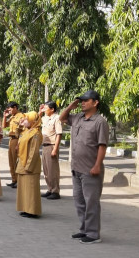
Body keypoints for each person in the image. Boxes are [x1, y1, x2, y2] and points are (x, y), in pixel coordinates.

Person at [59, 90, 109, 244]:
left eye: (86, 100)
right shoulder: (78, 117)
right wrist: (70, 106)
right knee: (79, 201)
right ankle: (84, 229)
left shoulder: (100, 122)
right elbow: (61, 118)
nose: (82, 103)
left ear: (95, 103)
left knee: (91, 202)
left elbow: (102, 146)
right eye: (81, 101)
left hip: (90, 169)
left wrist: (97, 165)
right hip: (76, 168)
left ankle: (93, 234)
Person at [16, 111, 43, 218]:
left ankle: (32, 210)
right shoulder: (27, 131)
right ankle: (25, 208)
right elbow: (17, 135)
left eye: (26, 119)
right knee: (24, 187)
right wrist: (20, 125)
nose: (24, 120)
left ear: (32, 121)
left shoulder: (36, 133)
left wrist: (29, 166)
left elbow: (34, 151)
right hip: (22, 162)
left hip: (30, 164)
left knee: (31, 189)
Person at [40, 101, 63, 199]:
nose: (44, 109)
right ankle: (50, 189)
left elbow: (59, 134)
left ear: (52, 109)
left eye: (46, 108)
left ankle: (55, 191)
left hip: (52, 146)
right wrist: (40, 112)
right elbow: (34, 121)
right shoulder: (44, 118)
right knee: (46, 170)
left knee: (52, 170)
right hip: (44, 146)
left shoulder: (57, 118)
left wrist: (55, 149)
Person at [2, 102, 25, 188]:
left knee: (16, 161)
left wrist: (19, 144)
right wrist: (4, 116)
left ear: (15, 107)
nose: (10, 111)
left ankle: (18, 180)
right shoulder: (12, 117)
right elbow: (4, 126)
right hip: (11, 140)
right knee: (11, 161)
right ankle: (14, 179)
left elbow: (22, 131)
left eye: (10, 109)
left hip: (17, 140)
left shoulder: (21, 116)